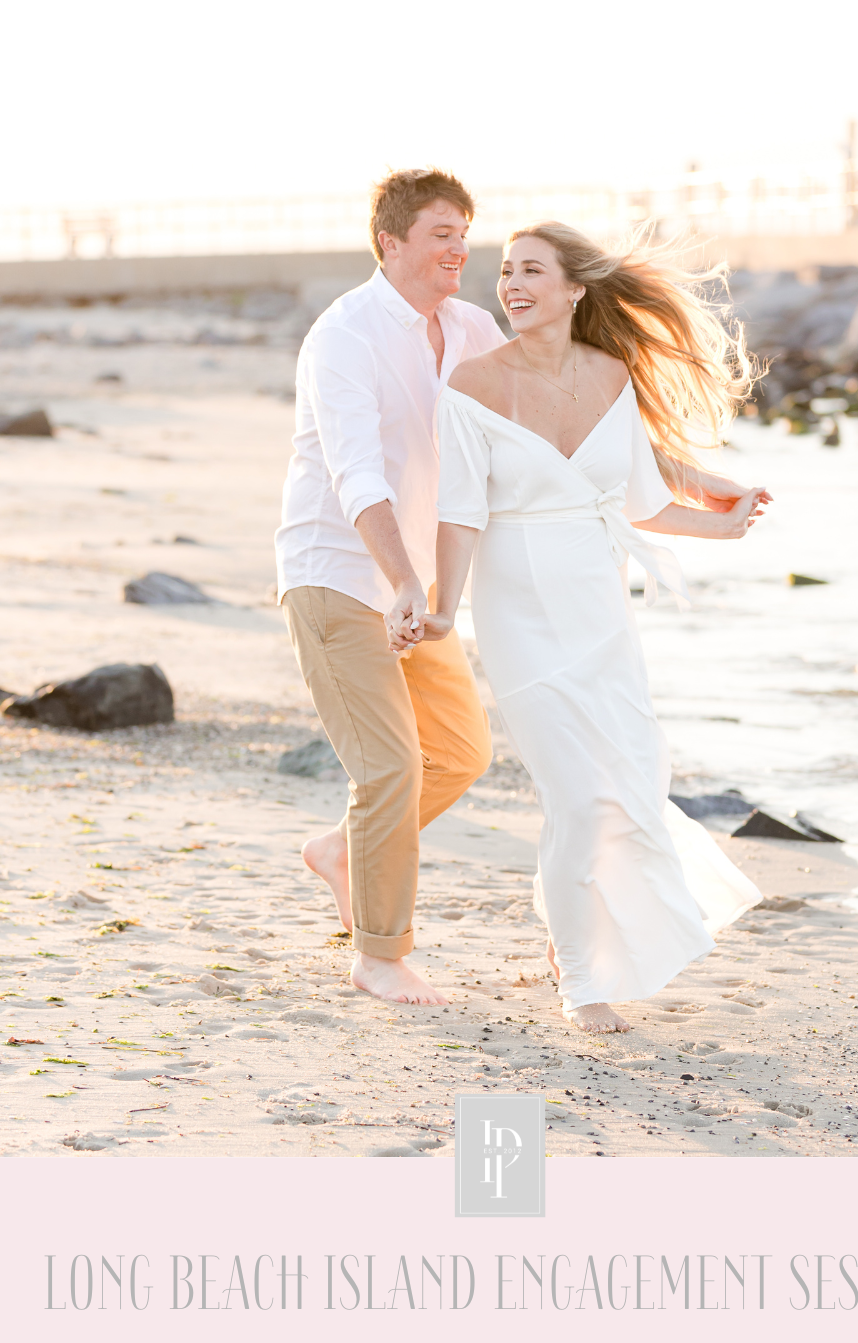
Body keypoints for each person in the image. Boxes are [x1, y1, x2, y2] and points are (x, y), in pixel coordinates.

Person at [392, 222, 770, 1033]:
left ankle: (578, 943)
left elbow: (642, 499)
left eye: (532, 270)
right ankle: (581, 981)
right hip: (518, 613)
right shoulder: (472, 385)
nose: (512, 284)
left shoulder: (610, 373)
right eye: (505, 273)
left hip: (601, 609)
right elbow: (460, 512)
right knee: (577, 794)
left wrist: (724, 522)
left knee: (631, 777)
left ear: (575, 289)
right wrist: (441, 611)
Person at [275, 168, 506, 1004]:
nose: (460, 248)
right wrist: (407, 582)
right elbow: (355, 475)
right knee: (392, 767)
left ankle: (342, 852)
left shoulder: (474, 327)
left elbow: (529, 423)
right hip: (338, 577)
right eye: (442, 233)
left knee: (463, 752)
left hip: (415, 589)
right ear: (392, 242)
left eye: (465, 232)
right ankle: (378, 954)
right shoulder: (346, 335)